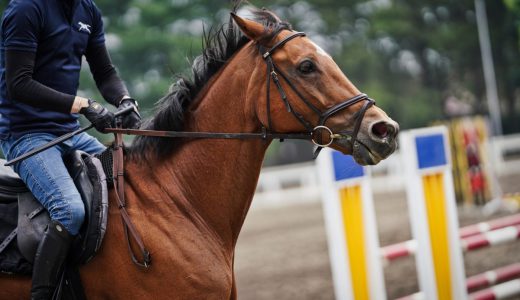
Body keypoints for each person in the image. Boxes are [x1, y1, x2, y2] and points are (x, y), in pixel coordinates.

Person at [0, 0, 141, 298]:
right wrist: (83, 104)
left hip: (69, 132)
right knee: (70, 210)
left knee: (131, 179)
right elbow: (19, 83)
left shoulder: (87, 10)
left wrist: (125, 100)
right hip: (25, 135)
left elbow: (104, 72)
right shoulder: (26, 9)